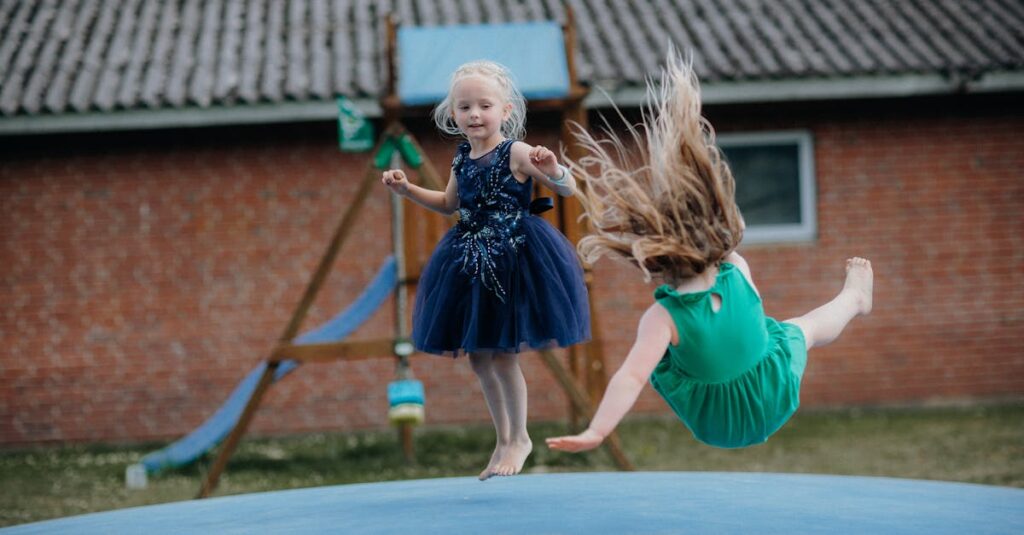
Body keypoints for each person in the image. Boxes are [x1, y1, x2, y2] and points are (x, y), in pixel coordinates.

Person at [545, 54, 873, 453]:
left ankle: (851, 299)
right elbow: (730, 238)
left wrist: (597, 432)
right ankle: (854, 298)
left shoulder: (662, 317)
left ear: (652, 258)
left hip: (717, 420)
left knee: (693, 351)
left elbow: (630, 377)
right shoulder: (738, 270)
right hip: (770, 392)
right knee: (804, 329)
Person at [381, 61, 590, 479]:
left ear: (505, 111)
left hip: (513, 259)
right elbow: (447, 204)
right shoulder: (462, 159)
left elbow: (569, 188)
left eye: (484, 105)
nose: (474, 114)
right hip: (471, 261)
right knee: (479, 358)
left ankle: (521, 438)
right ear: (452, 114)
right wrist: (406, 190)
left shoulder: (515, 151)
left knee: (503, 356)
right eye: (464, 107)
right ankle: (502, 438)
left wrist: (553, 171)